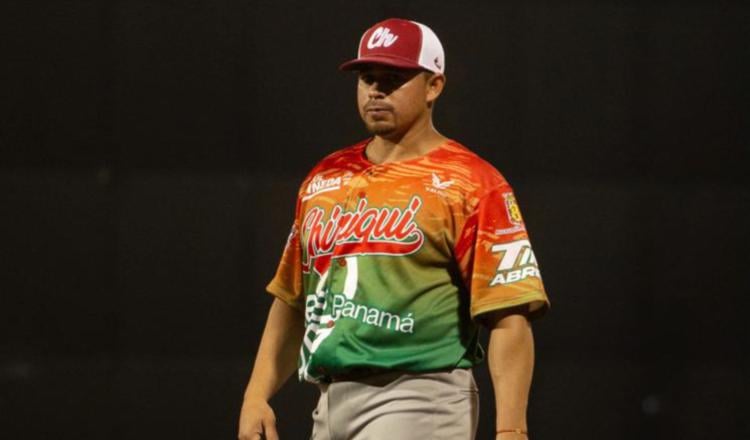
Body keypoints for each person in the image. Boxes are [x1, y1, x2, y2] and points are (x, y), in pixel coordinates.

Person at [238, 18, 549, 440]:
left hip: (420, 394)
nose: (376, 90)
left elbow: (509, 313)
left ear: (434, 86)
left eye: (394, 78)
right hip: (329, 400)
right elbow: (292, 297)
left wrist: (512, 429)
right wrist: (256, 396)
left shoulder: (473, 182)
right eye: (367, 78)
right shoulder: (326, 177)